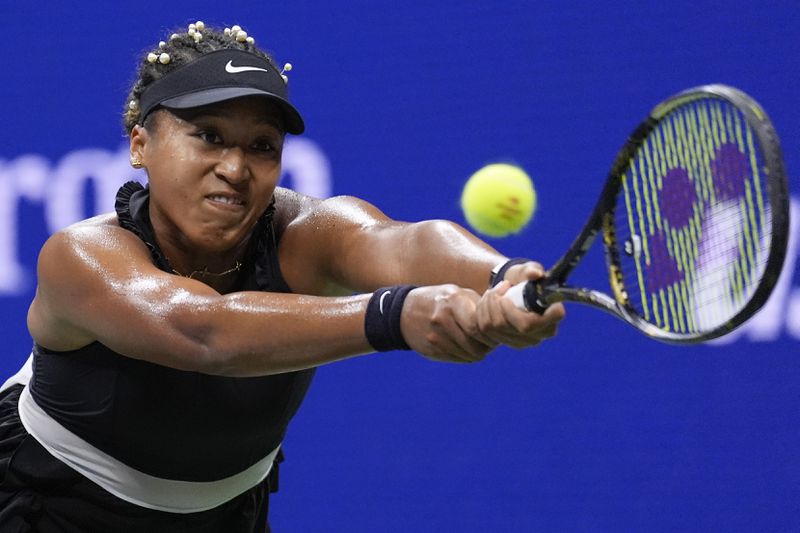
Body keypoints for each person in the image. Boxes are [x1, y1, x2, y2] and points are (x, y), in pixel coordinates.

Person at [0, 20, 565, 533]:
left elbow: (401, 242)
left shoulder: (305, 233)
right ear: (140, 143)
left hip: (229, 515)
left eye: (262, 146)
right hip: (48, 506)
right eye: (208, 135)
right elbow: (202, 331)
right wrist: (395, 316)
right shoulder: (80, 257)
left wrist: (502, 277)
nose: (235, 167)